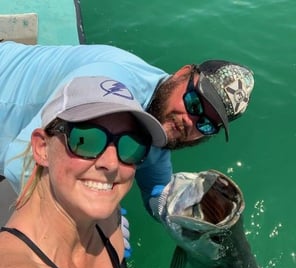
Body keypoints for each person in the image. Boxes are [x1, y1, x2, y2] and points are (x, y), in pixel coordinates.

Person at [0, 75, 167, 268]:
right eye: (86, 139)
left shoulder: (106, 220)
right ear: (42, 147)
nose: (112, 164)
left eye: (131, 146)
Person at [0, 42, 254, 214]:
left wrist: (183, 208)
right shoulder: (111, 82)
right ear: (182, 74)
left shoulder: (157, 120)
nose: (191, 121)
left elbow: (157, 193)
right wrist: (100, 223)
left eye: (207, 124)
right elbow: (18, 166)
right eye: (194, 102)